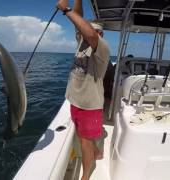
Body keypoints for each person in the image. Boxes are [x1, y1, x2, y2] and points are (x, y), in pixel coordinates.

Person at [57, 0, 110, 179]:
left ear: (100, 33)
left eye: (93, 31)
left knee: (85, 142)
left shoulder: (101, 46)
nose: (85, 34)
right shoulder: (81, 43)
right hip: (75, 100)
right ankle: (97, 152)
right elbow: (80, 24)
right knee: (83, 137)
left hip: (90, 105)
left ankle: (85, 176)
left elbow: (91, 35)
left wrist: (66, 10)